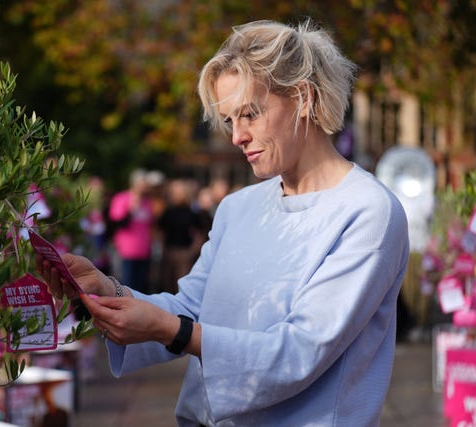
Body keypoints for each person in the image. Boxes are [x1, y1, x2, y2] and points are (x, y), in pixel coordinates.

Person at [38, 19, 409, 426]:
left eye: (249, 114)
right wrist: (105, 289)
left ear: (303, 97)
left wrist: (171, 331)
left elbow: (299, 352)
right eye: (230, 120)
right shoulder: (239, 207)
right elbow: (191, 309)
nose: (237, 136)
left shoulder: (367, 211)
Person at [106, 169, 155, 294]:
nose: (146, 187)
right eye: (143, 184)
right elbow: (117, 223)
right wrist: (131, 210)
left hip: (144, 251)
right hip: (126, 251)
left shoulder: (147, 201)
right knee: (126, 287)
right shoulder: (121, 198)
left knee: (140, 288)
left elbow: (149, 226)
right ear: (135, 183)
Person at [157, 179, 204, 294]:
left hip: (184, 252)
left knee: (181, 285)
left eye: (180, 192)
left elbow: (199, 233)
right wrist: (163, 248)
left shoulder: (192, 212)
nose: (177, 194)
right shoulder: (168, 211)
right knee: (167, 283)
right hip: (169, 251)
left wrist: (192, 251)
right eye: (174, 191)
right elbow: (160, 231)